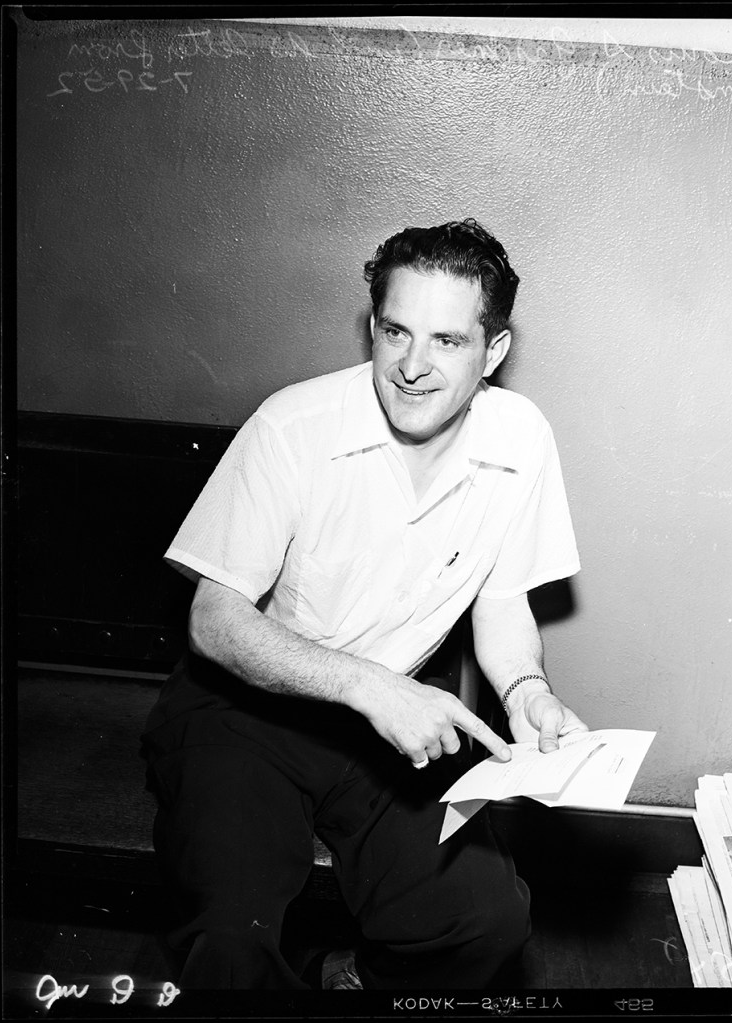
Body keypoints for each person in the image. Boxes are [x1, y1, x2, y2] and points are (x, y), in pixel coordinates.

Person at [141, 218, 587, 993]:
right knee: (227, 943)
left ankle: (351, 983)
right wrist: (365, 684)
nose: (411, 366)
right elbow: (213, 619)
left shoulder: (521, 438)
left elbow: (503, 600)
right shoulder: (293, 425)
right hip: (245, 714)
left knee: (484, 922)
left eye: (447, 341)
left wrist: (528, 693)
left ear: (494, 352)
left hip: (394, 721)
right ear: (372, 328)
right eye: (395, 332)